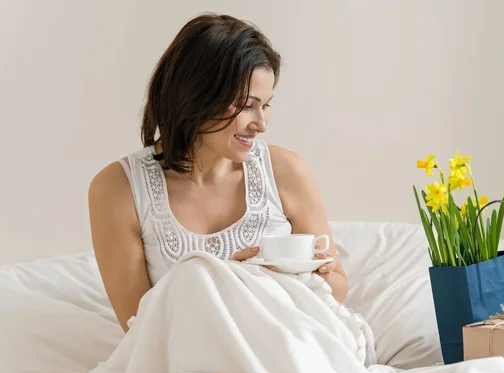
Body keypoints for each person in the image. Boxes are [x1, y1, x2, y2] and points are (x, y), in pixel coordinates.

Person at [88, 13, 347, 332]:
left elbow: (337, 289)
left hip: (290, 341)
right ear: (197, 96)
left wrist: (317, 277)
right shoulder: (118, 189)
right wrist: (224, 285)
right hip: (189, 360)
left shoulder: (286, 171)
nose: (261, 123)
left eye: (265, 105)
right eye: (246, 105)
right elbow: (138, 327)